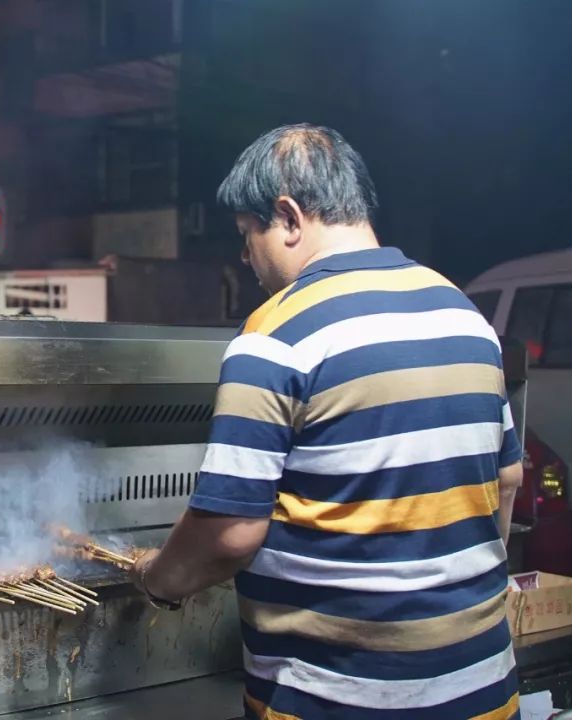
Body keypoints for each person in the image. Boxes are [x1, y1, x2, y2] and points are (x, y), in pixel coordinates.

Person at [130, 124, 524, 719]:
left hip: (340, 701)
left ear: (288, 217)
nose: (245, 257)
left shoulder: (277, 335)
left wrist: (157, 579)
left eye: (247, 234)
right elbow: (510, 479)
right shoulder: (462, 313)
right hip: (482, 689)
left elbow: (229, 534)